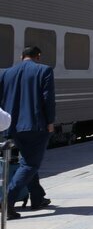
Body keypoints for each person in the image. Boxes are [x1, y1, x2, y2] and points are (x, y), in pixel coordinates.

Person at [0, 46, 56, 219]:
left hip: (11, 125)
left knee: (28, 159)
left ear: (21, 56)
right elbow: (48, 98)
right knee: (30, 164)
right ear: (38, 56)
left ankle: (37, 198)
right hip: (35, 125)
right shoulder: (44, 70)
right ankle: (6, 201)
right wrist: (50, 122)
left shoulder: (5, 73)